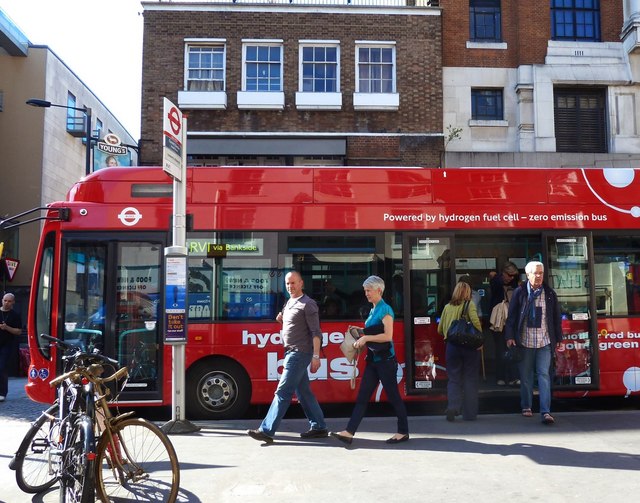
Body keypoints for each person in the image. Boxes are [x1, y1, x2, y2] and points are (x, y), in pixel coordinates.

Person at [247, 271, 327, 444]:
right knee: (304, 392)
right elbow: (291, 323)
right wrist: (281, 319)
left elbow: (316, 333)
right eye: (287, 283)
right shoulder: (289, 302)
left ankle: (266, 430)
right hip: (290, 351)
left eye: (293, 283)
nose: (290, 286)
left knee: (283, 392)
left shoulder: (308, 304)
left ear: (301, 283)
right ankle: (319, 427)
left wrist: (315, 356)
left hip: (300, 353)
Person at [330, 275, 409, 445]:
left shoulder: (386, 310)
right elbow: (373, 330)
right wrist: (360, 331)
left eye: (369, 290)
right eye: (365, 290)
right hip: (374, 360)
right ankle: (349, 432)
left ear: (379, 290)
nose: (366, 293)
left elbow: (388, 336)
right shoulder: (373, 310)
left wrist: (365, 339)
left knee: (394, 397)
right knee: (363, 397)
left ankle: (403, 432)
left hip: (386, 362)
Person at [504, 261, 563, 425]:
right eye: (535, 273)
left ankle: (546, 411)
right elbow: (512, 317)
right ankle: (526, 406)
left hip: (544, 342)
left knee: (544, 375)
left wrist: (559, 339)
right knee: (526, 376)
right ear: (528, 275)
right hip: (525, 342)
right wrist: (510, 336)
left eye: (541, 273)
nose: (538, 276)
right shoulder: (519, 292)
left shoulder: (549, 293)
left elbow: (556, 319)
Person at [438, 281, 483, 421]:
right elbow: (476, 322)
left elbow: (439, 329)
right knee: (470, 378)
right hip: (469, 347)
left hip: (451, 347)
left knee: (453, 378)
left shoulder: (447, 307)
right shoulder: (469, 305)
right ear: (468, 293)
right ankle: (469, 414)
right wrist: (479, 340)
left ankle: (453, 407)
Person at [489, 261, 519, 386]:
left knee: (512, 349)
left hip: (510, 322)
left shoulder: (514, 284)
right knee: (500, 350)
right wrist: (496, 276)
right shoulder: (497, 282)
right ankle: (501, 376)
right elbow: (496, 282)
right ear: (503, 273)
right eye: (509, 275)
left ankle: (513, 376)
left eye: (513, 276)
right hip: (498, 322)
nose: (511, 278)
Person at [0, 293, 23, 402]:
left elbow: (18, 331)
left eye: (9, 301)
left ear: (13, 302)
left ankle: (2, 393)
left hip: (7, 345)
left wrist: (6, 328)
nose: (7, 303)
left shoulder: (15, 315)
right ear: (2, 300)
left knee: (2, 368)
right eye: (5, 300)